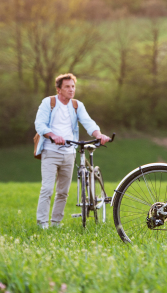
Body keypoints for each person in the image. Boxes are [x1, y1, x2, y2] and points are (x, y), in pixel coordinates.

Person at [34, 73, 110, 229]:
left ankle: (56, 223)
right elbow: (40, 124)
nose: (71, 90)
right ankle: (42, 223)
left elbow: (88, 122)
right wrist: (53, 136)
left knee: (63, 192)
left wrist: (98, 134)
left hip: (69, 153)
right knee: (47, 189)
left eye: (73, 86)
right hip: (50, 151)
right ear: (59, 89)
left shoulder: (76, 105)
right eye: (67, 87)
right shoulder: (49, 102)